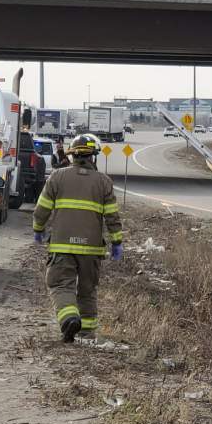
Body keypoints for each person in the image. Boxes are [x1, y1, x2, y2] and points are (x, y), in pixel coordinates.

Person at [32, 133, 124, 343]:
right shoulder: (104, 182)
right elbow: (112, 216)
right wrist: (117, 242)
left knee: (60, 284)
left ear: (72, 155)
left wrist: (38, 229)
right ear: (93, 156)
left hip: (62, 246)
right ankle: (86, 334)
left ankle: (69, 319)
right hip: (91, 250)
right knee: (87, 290)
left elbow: (42, 209)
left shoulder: (57, 177)